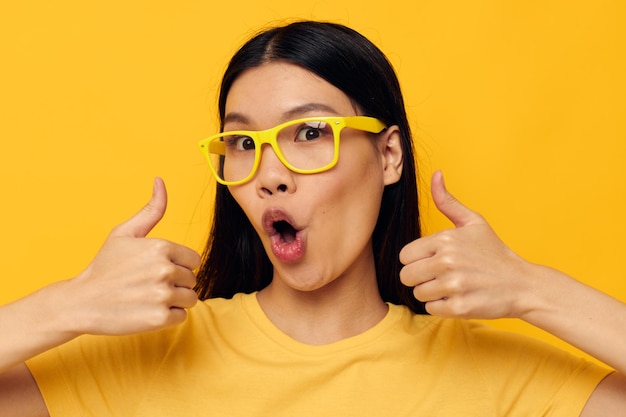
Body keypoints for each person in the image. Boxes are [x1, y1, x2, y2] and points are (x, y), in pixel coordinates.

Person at [1, 20, 625, 416]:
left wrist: (533, 290)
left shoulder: (495, 380)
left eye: (308, 132)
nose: (269, 172)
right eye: (243, 144)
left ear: (388, 155)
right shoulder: (146, 362)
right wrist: (69, 305)